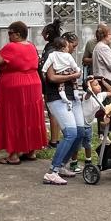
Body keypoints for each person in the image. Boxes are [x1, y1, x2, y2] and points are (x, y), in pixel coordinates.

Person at [0, 21, 48, 166]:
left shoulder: (11, 47)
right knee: (31, 116)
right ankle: (31, 151)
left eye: (10, 33)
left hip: (15, 86)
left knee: (14, 117)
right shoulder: (31, 46)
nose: (8, 36)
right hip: (33, 83)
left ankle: (14, 154)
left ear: (18, 34)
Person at [42, 32, 84, 184]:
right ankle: (52, 171)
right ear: (65, 43)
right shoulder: (52, 55)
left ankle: (61, 165)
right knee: (71, 132)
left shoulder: (67, 56)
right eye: (72, 46)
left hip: (72, 97)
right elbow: (51, 77)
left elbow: (76, 71)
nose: (73, 49)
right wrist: (72, 76)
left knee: (81, 131)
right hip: (57, 98)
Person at [39, 19, 63, 148]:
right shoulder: (53, 46)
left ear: (47, 34)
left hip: (50, 84)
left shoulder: (51, 49)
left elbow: (47, 68)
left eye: (43, 33)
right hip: (52, 83)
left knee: (52, 111)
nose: (41, 35)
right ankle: (56, 139)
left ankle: (54, 140)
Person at [91, 23, 111, 91]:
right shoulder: (103, 48)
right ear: (104, 36)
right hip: (109, 81)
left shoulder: (101, 46)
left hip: (106, 80)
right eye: (110, 34)